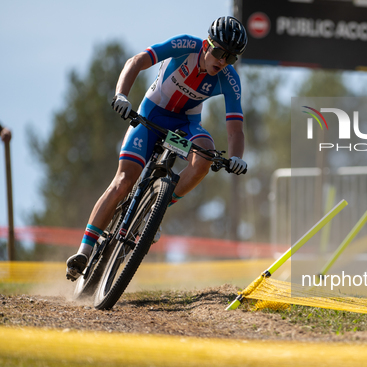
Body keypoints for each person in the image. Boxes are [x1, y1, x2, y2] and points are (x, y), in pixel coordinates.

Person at [66, 16, 249, 280]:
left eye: (230, 58)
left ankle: (156, 209)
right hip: (151, 116)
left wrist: (236, 158)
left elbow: (235, 127)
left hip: (185, 125)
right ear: (207, 44)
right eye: (219, 52)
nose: (222, 62)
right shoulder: (185, 45)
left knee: (205, 154)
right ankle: (84, 249)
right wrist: (121, 95)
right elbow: (137, 61)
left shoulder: (229, 79)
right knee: (123, 182)